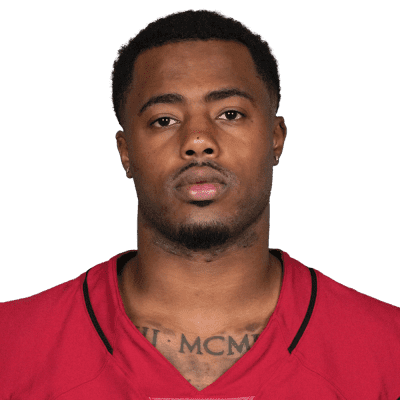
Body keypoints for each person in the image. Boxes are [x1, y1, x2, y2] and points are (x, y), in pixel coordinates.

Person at [1, 9, 399, 399]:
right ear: (125, 152)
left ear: (275, 138)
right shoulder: (11, 346)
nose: (198, 141)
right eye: (164, 120)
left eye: (230, 113)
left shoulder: (388, 348)